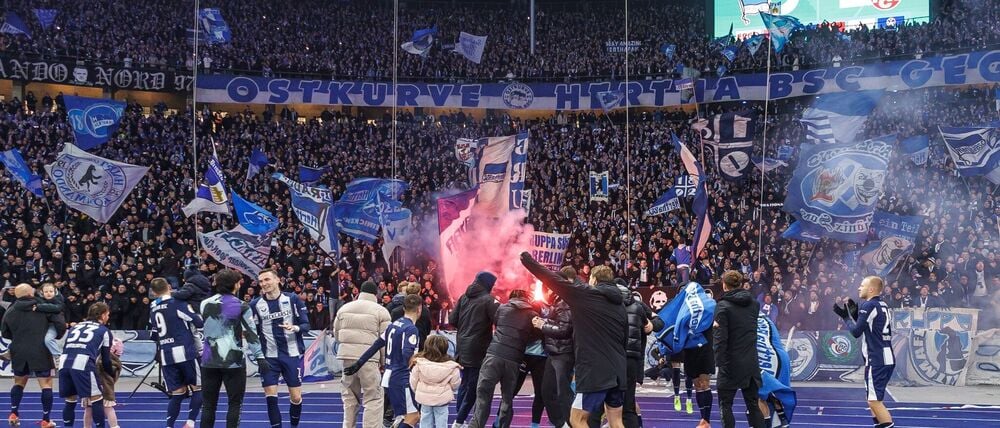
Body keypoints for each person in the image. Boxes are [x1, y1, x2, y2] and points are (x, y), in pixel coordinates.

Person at [521, 253, 627, 428]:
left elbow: (551, 279)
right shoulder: (619, 304)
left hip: (595, 371)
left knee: (576, 420)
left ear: (593, 280)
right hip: (618, 369)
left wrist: (526, 259)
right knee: (616, 422)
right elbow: (623, 337)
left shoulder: (586, 295)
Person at [589, 279, 664, 428]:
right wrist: (651, 325)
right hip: (630, 360)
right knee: (628, 406)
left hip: (607, 358)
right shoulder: (638, 305)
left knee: (596, 404)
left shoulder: (602, 303)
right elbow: (659, 322)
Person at [199, 269, 267, 428]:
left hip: (209, 360)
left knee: (208, 405)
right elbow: (251, 333)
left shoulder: (204, 303)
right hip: (233, 361)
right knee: (235, 404)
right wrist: (260, 357)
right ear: (235, 285)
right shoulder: (242, 306)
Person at [344, 294, 424, 428]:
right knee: (413, 416)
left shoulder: (393, 325)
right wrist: (415, 360)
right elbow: (406, 353)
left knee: (403, 416)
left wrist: (359, 363)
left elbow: (377, 344)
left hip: (388, 375)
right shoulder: (411, 329)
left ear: (403, 308)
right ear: (419, 309)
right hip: (400, 377)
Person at [470, 289, 540, 428]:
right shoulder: (533, 314)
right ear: (526, 298)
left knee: (483, 396)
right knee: (507, 399)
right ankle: (502, 425)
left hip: (494, 355)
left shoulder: (501, 309)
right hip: (514, 359)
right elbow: (536, 335)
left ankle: (477, 425)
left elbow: (497, 324)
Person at [250, 269, 311, 428]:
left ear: (277, 280)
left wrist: (294, 327)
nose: (264, 284)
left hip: (291, 355)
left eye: (267, 279)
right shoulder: (255, 304)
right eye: (261, 281)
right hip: (268, 357)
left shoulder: (292, 299)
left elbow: (306, 325)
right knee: (270, 397)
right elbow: (252, 329)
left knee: (296, 398)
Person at [834, 276, 896, 428]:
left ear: (871, 289)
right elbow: (869, 325)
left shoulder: (868, 305)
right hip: (885, 356)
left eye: (862, 285)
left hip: (877, 358)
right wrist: (856, 315)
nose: (859, 288)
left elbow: (856, 332)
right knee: (873, 399)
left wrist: (846, 318)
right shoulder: (882, 304)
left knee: (874, 401)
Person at [1, 284, 63, 427]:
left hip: (18, 351)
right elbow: (60, 324)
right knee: (46, 384)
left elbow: (5, 332)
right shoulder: (43, 306)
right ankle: (46, 420)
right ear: (30, 293)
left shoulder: (10, 310)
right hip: (40, 350)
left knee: (18, 383)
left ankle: (13, 413)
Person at [333, 280, 391, 428]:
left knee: (349, 397)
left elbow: (337, 334)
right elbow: (385, 340)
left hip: (347, 358)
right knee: (373, 398)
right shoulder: (381, 311)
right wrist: (384, 362)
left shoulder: (344, 308)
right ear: (375, 294)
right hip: (369, 360)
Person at [714, 270, 767, 428]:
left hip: (730, 363)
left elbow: (720, 338)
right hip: (751, 362)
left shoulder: (722, 306)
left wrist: (719, 363)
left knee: (725, 405)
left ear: (724, 285)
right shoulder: (754, 304)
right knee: (753, 405)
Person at [149, 277, 204, 428]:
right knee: (198, 387)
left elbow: (154, 335)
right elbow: (198, 322)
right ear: (169, 286)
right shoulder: (177, 303)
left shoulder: (153, 307)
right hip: (185, 352)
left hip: (166, 355)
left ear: (153, 292)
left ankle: (169, 425)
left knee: (177, 393)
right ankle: (190, 422)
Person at [449, 272, 500, 428]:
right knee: (475, 387)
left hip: (461, 347)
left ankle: (460, 419)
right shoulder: (489, 300)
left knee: (465, 385)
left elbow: (452, 320)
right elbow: (500, 320)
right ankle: (459, 421)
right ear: (488, 284)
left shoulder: (464, 297)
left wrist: (465, 330)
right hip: (479, 348)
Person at [58, 302, 114, 428]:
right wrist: (110, 374)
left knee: (70, 401)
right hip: (83, 364)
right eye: (108, 315)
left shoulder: (75, 327)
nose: (108, 317)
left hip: (64, 362)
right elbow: (106, 360)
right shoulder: (104, 331)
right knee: (96, 399)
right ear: (103, 315)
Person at [535, 267, 575, 428]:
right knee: (548, 391)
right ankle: (563, 423)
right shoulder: (559, 301)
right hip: (555, 352)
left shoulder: (564, 302)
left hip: (562, 352)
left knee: (561, 392)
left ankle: (570, 423)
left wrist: (542, 325)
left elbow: (565, 329)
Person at [409, 334, 461, 428]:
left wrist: (419, 391)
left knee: (425, 421)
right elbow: (455, 385)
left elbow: (413, 382)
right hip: (442, 400)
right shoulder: (452, 367)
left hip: (424, 399)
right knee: (442, 422)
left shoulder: (419, 364)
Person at [82, 338, 123, 428]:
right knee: (93, 409)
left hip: (100, 387)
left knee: (103, 408)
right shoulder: (113, 361)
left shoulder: (106, 360)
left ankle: (114, 426)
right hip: (97, 386)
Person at [34, 283, 67, 362]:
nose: (48, 293)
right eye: (46, 292)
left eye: (51, 291)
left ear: (55, 292)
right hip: (41, 325)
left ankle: (58, 357)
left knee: (48, 339)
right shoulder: (37, 299)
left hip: (54, 325)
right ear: (42, 292)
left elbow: (57, 308)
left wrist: (39, 307)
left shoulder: (59, 299)